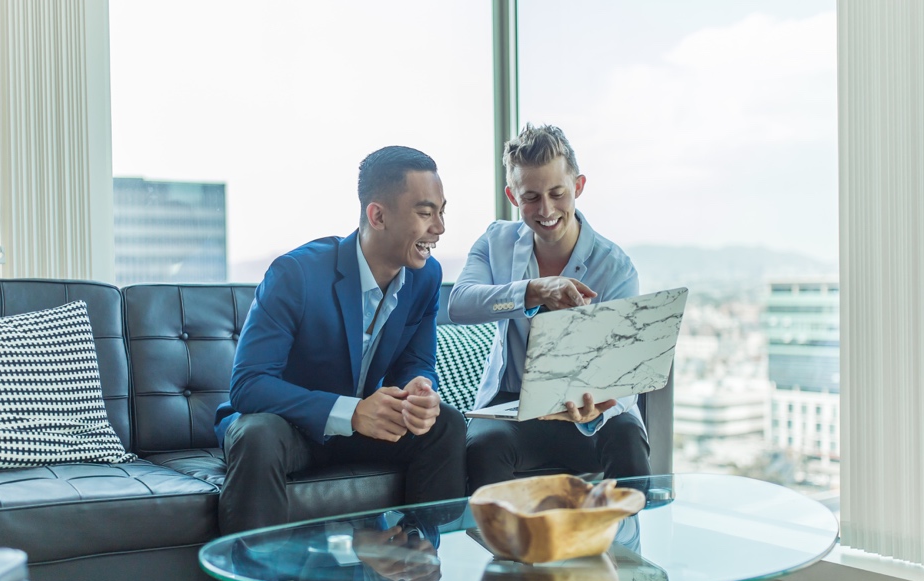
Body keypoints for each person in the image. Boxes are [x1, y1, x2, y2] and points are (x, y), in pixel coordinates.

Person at [214, 146, 467, 534]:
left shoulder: (426, 276)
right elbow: (248, 385)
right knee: (257, 435)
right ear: (378, 215)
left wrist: (420, 388)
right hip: (291, 428)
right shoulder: (295, 274)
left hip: (361, 429)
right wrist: (350, 412)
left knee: (445, 424)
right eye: (425, 212)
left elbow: (416, 362)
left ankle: (413, 563)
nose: (440, 227)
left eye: (441, 211)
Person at [448, 124, 651, 492]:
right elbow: (460, 304)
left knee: (627, 438)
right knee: (483, 446)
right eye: (531, 197)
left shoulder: (615, 267)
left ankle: (627, 548)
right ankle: (504, 550)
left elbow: (627, 371)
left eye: (557, 193)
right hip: (513, 408)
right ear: (512, 196)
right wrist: (534, 291)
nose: (546, 210)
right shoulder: (495, 242)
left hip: (589, 410)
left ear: (579, 186)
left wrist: (599, 406)